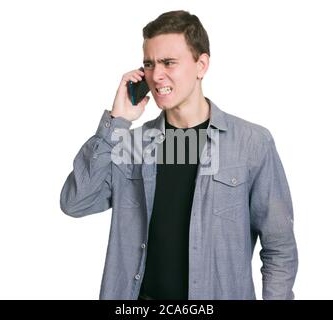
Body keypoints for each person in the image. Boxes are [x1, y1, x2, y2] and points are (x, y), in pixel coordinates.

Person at [60, 10, 298, 300]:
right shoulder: (131, 144)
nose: (156, 75)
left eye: (168, 62)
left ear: (201, 65)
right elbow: (76, 202)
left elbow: (279, 248)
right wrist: (117, 121)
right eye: (149, 64)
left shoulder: (251, 143)